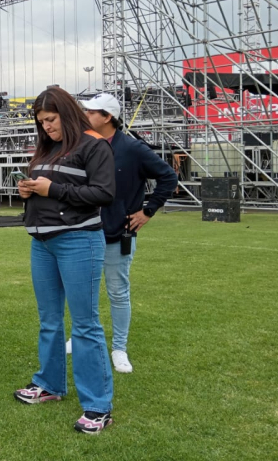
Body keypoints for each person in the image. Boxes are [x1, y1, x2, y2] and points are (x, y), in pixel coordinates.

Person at [13, 86, 116, 434]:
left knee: (85, 324)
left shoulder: (93, 145)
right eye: (41, 122)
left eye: (51, 120)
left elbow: (104, 194)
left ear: (67, 114)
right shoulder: (46, 148)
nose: (47, 128)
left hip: (79, 241)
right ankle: (50, 385)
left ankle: (98, 406)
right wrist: (28, 189)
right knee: (49, 320)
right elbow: (48, 186)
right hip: (41, 241)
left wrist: (51, 189)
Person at [72, 92, 178, 373]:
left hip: (117, 233)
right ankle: (81, 337)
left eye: (91, 112)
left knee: (118, 292)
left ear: (108, 117)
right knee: (84, 291)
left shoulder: (132, 148)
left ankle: (119, 348)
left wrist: (148, 211)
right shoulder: (83, 145)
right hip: (82, 231)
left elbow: (169, 176)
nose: (85, 116)